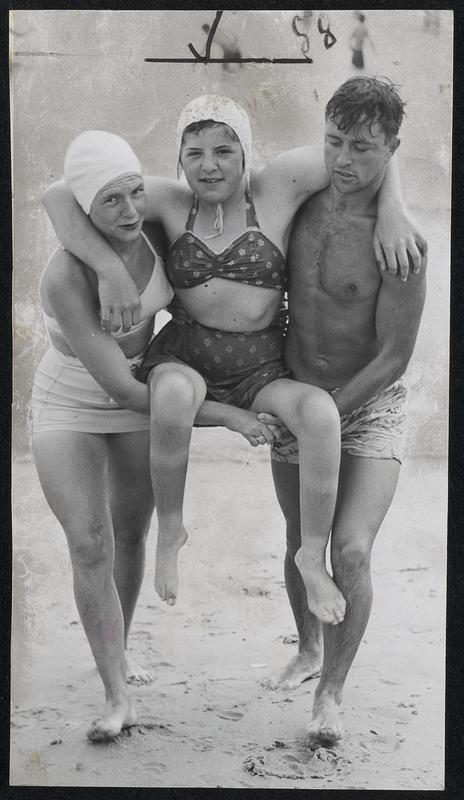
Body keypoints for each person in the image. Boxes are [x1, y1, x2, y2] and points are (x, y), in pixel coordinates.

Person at [41, 96, 426, 621]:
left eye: (225, 150)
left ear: (247, 152)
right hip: (188, 354)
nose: (210, 165)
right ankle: (171, 530)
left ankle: (311, 557)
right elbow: (62, 192)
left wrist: (394, 208)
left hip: (258, 368)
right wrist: (107, 268)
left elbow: (365, 150)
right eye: (194, 152)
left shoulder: (280, 184)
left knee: (318, 414)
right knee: (172, 393)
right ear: (178, 157)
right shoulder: (169, 199)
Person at [269, 77, 426, 746]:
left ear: (391, 148)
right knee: (297, 539)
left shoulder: (402, 246)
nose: (343, 161)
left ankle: (330, 695)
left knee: (351, 549)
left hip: (368, 406)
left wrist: (325, 415)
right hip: (301, 399)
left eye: (363, 149)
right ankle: (308, 649)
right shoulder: (297, 203)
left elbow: (393, 356)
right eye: (334, 141)